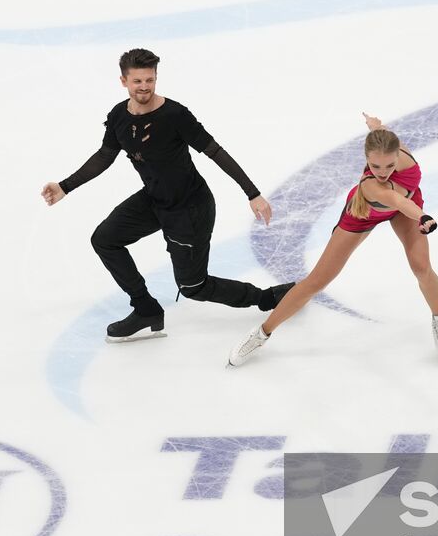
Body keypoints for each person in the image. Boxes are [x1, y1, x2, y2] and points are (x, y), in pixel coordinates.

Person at [41, 48, 294, 341]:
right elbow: (104, 156)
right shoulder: (118, 116)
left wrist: (253, 193)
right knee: (105, 239)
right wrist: (65, 186)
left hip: (190, 209)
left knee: (193, 287)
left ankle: (269, 298)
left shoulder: (175, 115)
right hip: (154, 199)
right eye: (137, 81)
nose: (144, 86)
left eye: (150, 79)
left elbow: (215, 152)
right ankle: (146, 308)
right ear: (123, 81)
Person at [227, 113, 438, 366]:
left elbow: (384, 137)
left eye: (389, 166)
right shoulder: (371, 186)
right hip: (364, 214)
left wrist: (375, 126)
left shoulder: (400, 152)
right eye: (375, 166)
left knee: (422, 267)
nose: (383, 172)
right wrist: (422, 216)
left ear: (397, 154)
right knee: (316, 282)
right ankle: (261, 333)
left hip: (406, 210)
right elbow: (398, 201)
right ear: (367, 159)